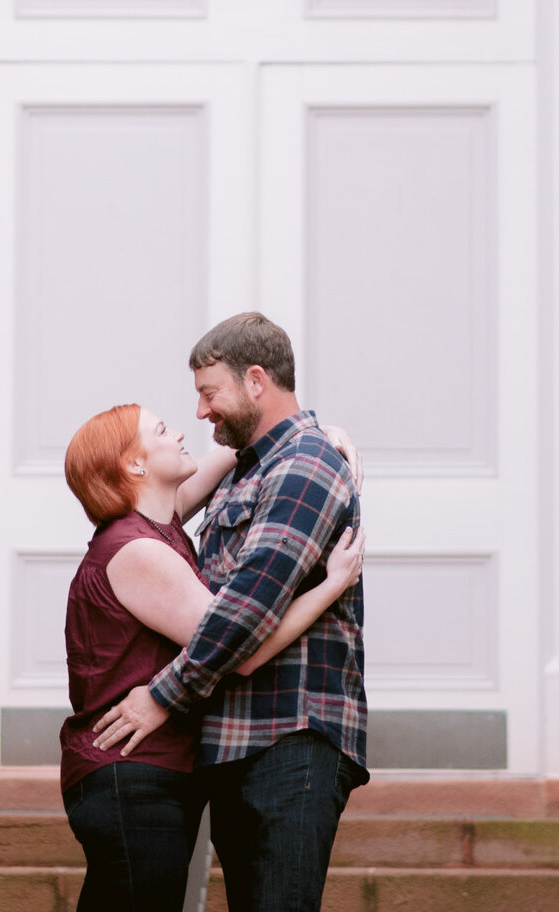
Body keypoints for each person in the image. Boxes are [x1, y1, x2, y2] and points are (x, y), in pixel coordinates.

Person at [92, 312, 367, 912]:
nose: (200, 412)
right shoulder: (250, 469)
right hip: (237, 743)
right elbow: (153, 512)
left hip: (291, 738)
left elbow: (244, 612)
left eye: (208, 393)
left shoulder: (305, 465)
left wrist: (161, 695)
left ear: (256, 381)